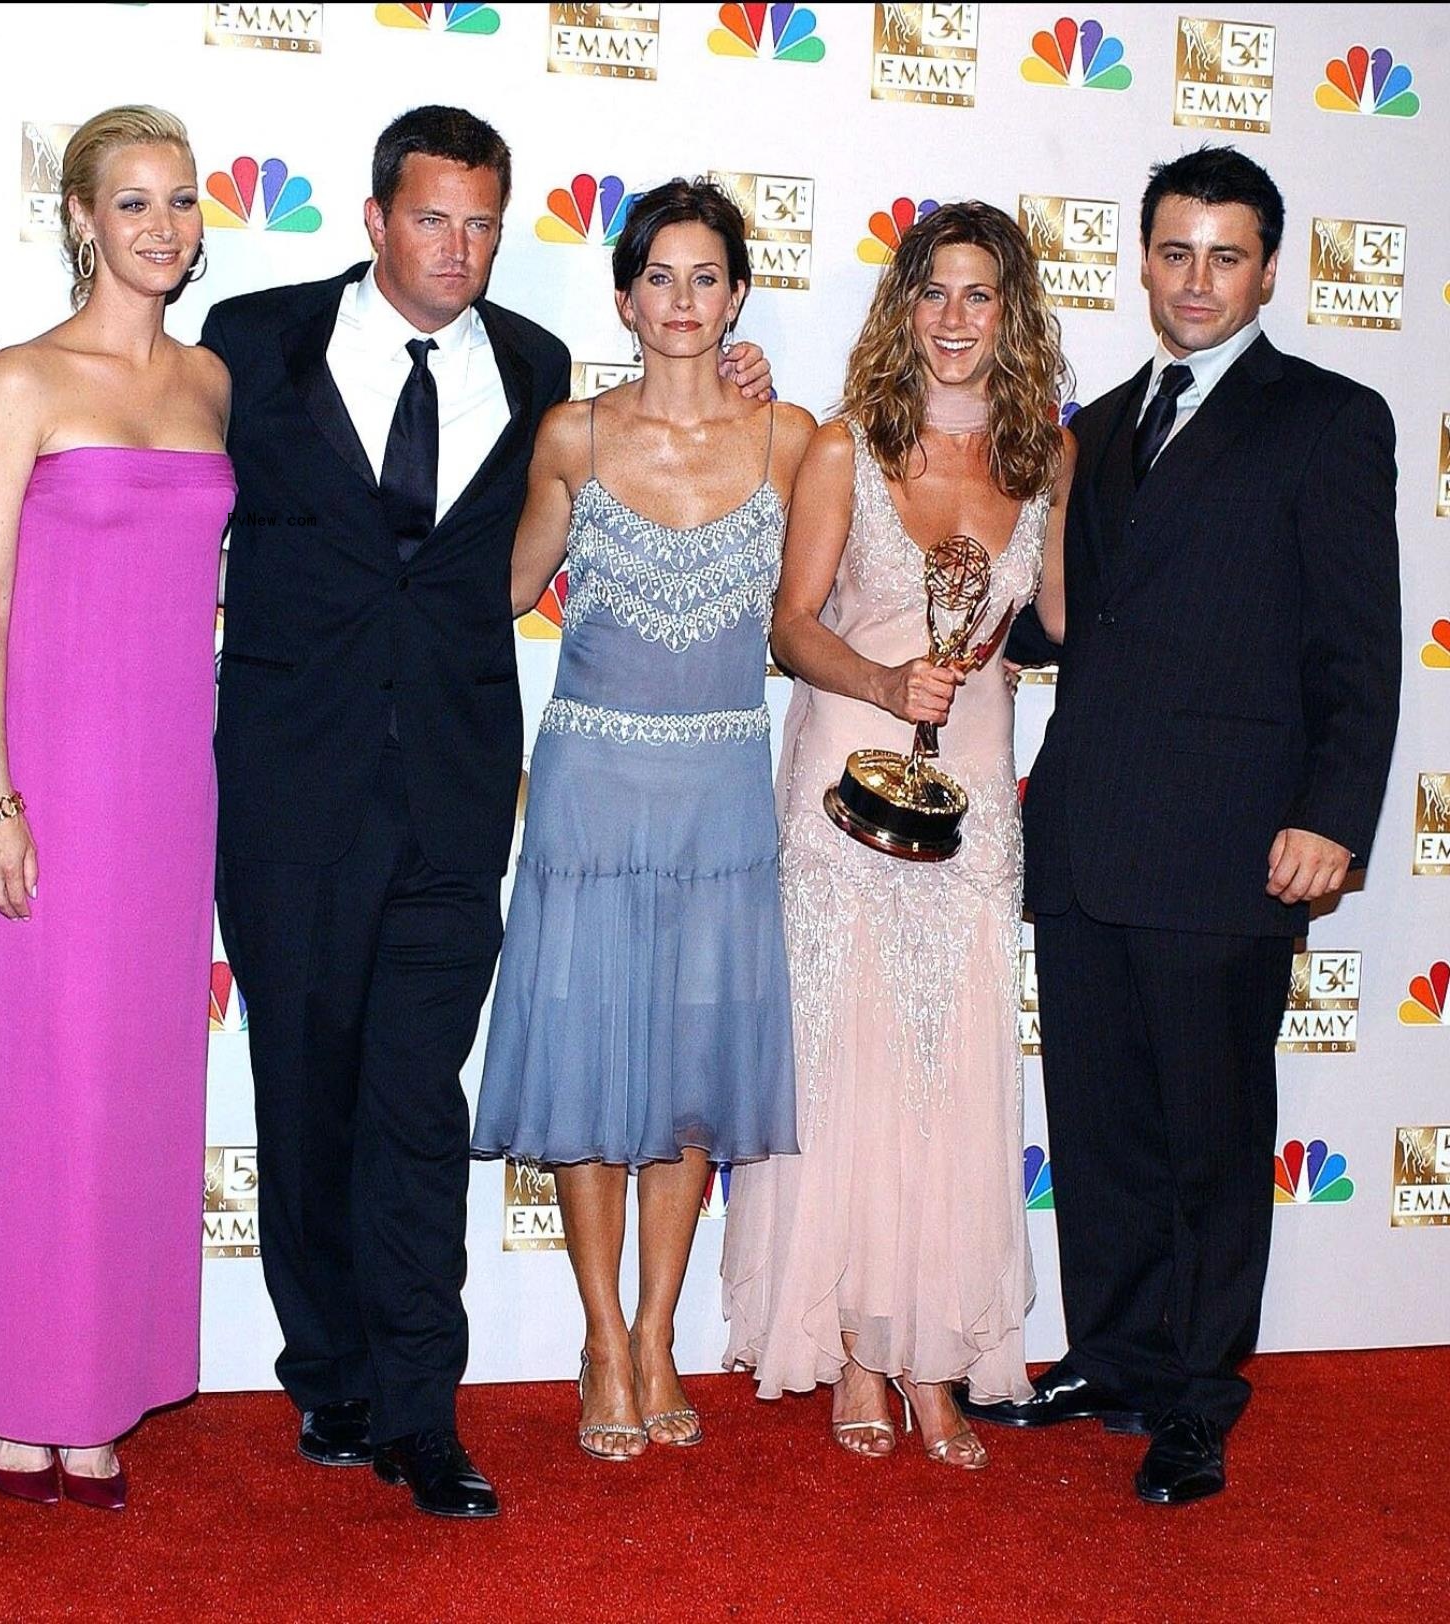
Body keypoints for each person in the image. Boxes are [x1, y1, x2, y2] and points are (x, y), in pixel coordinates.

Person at [199, 107, 770, 1519]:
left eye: (482, 224)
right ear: (375, 217)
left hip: (455, 801)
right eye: (432, 219)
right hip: (287, 792)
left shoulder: (533, 371)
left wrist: (739, 373)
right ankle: (326, 1369)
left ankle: (418, 1406)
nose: (458, 249)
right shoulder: (248, 340)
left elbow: (626, 462)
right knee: (305, 1094)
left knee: (412, 1105)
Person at [964, 147, 1402, 1506]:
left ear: (1268, 269)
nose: (1195, 279)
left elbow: (1361, 647)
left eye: (1224, 255)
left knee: (1211, 1137)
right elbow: (1062, 632)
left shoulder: (1328, 418)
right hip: (1090, 830)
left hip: (1227, 845)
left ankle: (1200, 1400)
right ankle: (1115, 1353)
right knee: (1098, 1127)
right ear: (1142, 262)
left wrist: (1333, 818)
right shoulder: (1101, 421)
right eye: (1173, 252)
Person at [0, 107, 231, 1512]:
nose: (160, 226)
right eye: (133, 202)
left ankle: (101, 1384)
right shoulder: (18, 379)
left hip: (171, 781)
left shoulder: (216, 380)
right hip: (47, 771)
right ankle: (20, 1390)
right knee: (39, 1084)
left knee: (138, 1093)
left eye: (181, 202)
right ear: (83, 217)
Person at [721, 201, 1073, 1470]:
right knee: (853, 1067)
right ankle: (859, 1352)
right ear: (903, 305)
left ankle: (939, 1356)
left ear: (1013, 312)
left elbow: (1073, 619)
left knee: (955, 1068)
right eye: (934, 291)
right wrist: (883, 688)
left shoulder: (1048, 460)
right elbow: (792, 626)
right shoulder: (841, 447)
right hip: (840, 787)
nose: (956, 319)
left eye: (981, 294)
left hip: (974, 793)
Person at [471, 179, 809, 1460]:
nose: (682, 300)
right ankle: (601, 1337)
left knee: (688, 1087)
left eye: (707, 275)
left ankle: (661, 1331)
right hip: (590, 793)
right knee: (587, 1072)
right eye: (659, 276)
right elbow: (500, 590)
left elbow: (829, 602)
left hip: (722, 795)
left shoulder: (791, 439)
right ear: (623, 295)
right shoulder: (571, 436)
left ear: (737, 294)